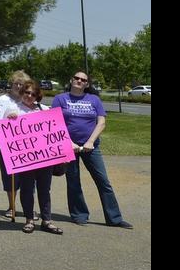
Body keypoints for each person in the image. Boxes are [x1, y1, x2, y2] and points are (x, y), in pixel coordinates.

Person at [52, 70, 133, 228]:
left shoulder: (93, 99)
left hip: (91, 147)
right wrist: (68, 142)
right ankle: (79, 215)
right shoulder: (60, 99)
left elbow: (101, 122)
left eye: (83, 80)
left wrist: (90, 141)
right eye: (76, 78)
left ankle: (114, 219)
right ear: (71, 80)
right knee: (73, 181)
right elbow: (54, 122)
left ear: (87, 84)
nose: (79, 81)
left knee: (103, 181)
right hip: (68, 147)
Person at [2, 80, 63, 235]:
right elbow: (4, 132)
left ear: (37, 96)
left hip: (44, 158)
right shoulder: (13, 109)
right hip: (25, 158)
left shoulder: (44, 109)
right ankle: (29, 219)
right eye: (27, 92)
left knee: (45, 189)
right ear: (22, 93)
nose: (29, 96)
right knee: (27, 189)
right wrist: (9, 120)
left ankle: (46, 220)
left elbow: (54, 131)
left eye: (33, 93)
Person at [0, 70, 30, 221]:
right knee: (9, 175)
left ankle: (29, 207)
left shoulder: (29, 99)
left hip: (27, 144)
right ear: (11, 84)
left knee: (28, 176)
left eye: (21, 84)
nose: (18, 86)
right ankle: (12, 206)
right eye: (16, 83)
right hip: (5, 143)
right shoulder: (2, 99)